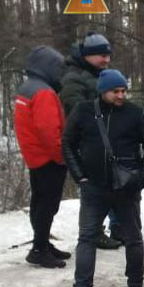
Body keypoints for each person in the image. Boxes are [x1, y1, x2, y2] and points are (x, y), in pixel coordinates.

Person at [59, 69, 144, 287]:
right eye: (116, 91)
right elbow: (67, 143)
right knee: (86, 238)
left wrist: (140, 179)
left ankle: (135, 285)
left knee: (133, 238)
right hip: (93, 188)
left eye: (124, 90)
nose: (121, 95)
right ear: (103, 90)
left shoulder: (136, 113)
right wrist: (80, 176)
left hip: (126, 189)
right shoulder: (83, 111)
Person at [60, 31, 121, 249]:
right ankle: (92, 232)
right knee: (93, 190)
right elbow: (77, 112)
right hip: (88, 143)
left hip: (107, 139)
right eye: (101, 55)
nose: (106, 59)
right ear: (88, 55)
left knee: (115, 184)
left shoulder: (100, 74)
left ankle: (117, 228)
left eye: (108, 55)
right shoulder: (73, 77)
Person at [13, 46, 70, 269]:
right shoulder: (44, 92)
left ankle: (42, 243)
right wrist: (61, 156)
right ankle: (39, 249)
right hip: (48, 158)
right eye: (58, 68)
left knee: (39, 202)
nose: (61, 73)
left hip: (34, 155)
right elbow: (48, 129)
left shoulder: (27, 88)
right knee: (47, 204)